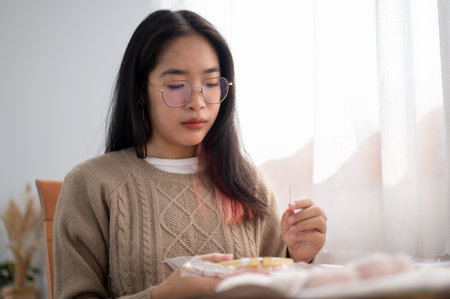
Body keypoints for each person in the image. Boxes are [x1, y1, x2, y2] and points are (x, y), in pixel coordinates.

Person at [53, 9, 327, 299]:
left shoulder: (248, 182)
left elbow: (276, 284)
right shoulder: (92, 185)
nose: (197, 103)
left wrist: (299, 260)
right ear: (140, 91)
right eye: (175, 86)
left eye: (210, 84)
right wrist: (161, 295)